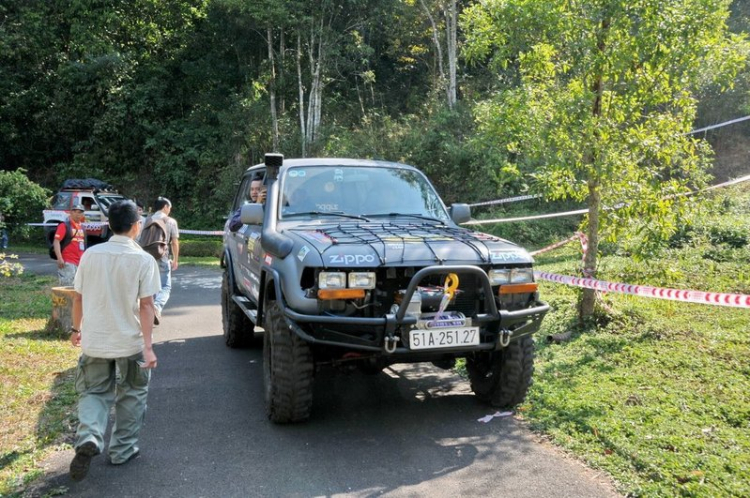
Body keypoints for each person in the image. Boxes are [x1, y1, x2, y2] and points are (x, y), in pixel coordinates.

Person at [68, 200, 161, 481]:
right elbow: (146, 306)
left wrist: (76, 329)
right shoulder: (144, 260)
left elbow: (79, 297)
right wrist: (148, 346)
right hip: (130, 342)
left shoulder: (91, 256)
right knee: (132, 393)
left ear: (109, 225)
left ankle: (90, 436)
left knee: (94, 392)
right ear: (136, 226)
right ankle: (122, 450)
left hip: (95, 340)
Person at [147, 197, 179, 324]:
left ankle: (148, 311)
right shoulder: (171, 221)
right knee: (165, 286)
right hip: (162, 256)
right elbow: (175, 242)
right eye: (169, 207)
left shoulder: (146, 220)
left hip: (147, 257)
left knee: (150, 286)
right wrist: (175, 259)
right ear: (165, 206)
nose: (170, 210)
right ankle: (157, 307)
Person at [53, 204, 86, 286]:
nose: (78, 214)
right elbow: (56, 241)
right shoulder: (64, 225)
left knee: (78, 288)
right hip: (68, 261)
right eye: (76, 212)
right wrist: (59, 258)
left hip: (80, 262)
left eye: (80, 212)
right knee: (67, 287)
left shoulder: (82, 227)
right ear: (71, 212)